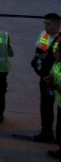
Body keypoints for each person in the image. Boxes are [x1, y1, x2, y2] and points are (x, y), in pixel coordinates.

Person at [33, 12, 61, 144]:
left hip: (58, 79)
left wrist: (48, 57)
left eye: (48, 24)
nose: (45, 26)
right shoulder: (43, 34)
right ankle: (46, 133)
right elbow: (38, 50)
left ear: (56, 23)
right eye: (44, 23)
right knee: (45, 107)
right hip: (46, 77)